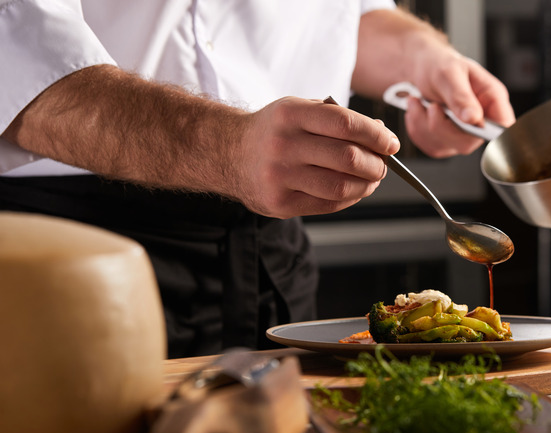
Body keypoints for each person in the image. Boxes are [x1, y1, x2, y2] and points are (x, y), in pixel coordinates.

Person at [0, 1, 515, 358]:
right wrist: (224, 148)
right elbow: (18, 60)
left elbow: (339, 16)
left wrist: (424, 60)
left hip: (271, 254)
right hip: (72, 255)